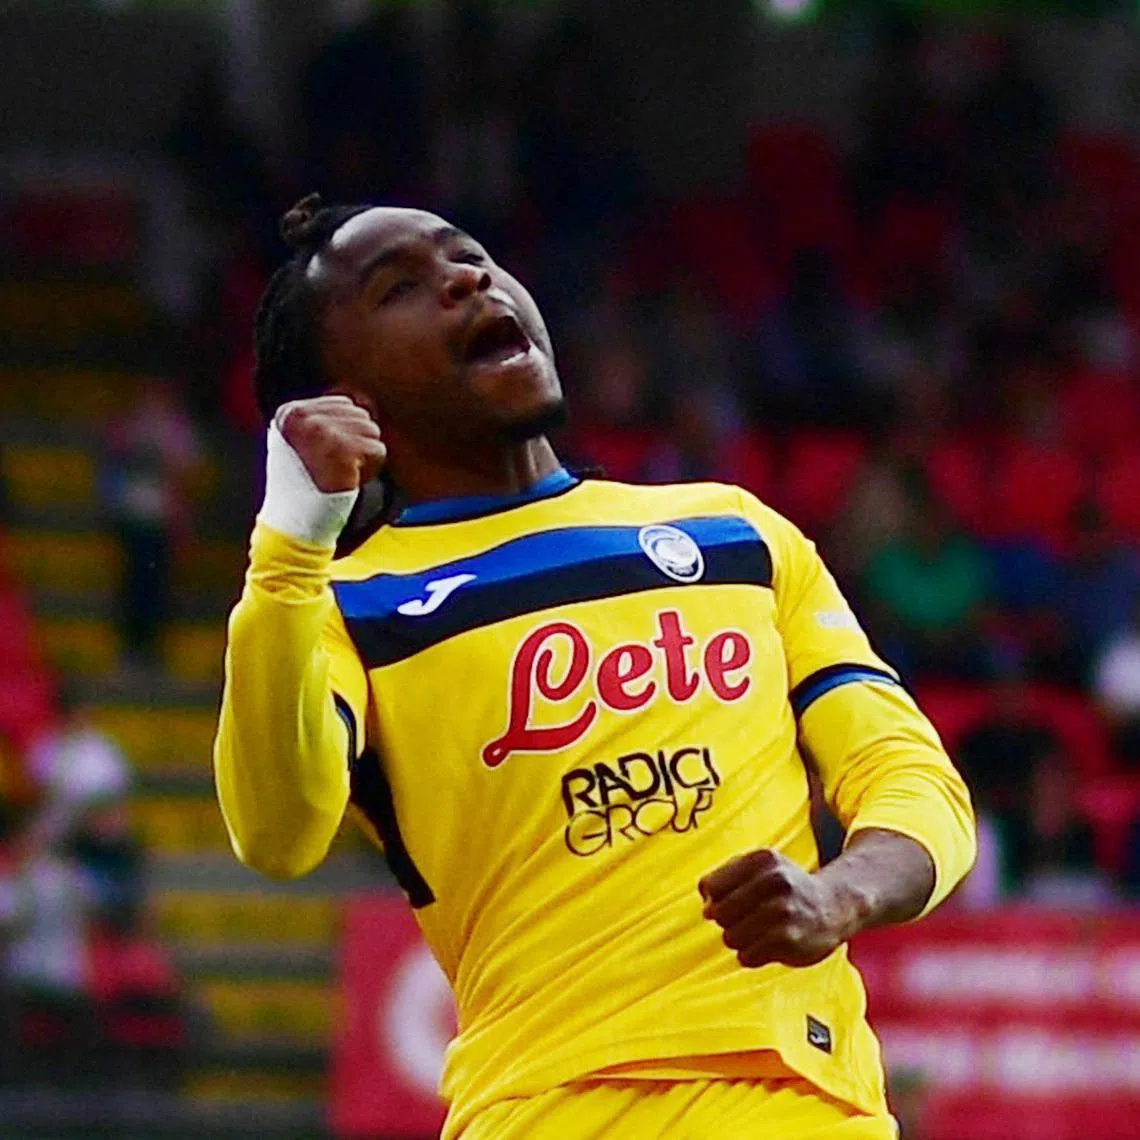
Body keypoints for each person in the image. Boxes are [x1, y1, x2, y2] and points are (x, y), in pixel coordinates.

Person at [213, 196, 976, 1139]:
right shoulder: (341, 609)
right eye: (401, 288)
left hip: (806, 1106)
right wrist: (290, 543)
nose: (466, 279)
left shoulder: (734, 530)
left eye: (472, 255)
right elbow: (278, 833)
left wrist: (838, 893)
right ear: (345, 397)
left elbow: (912, 780)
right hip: (551, 1111)